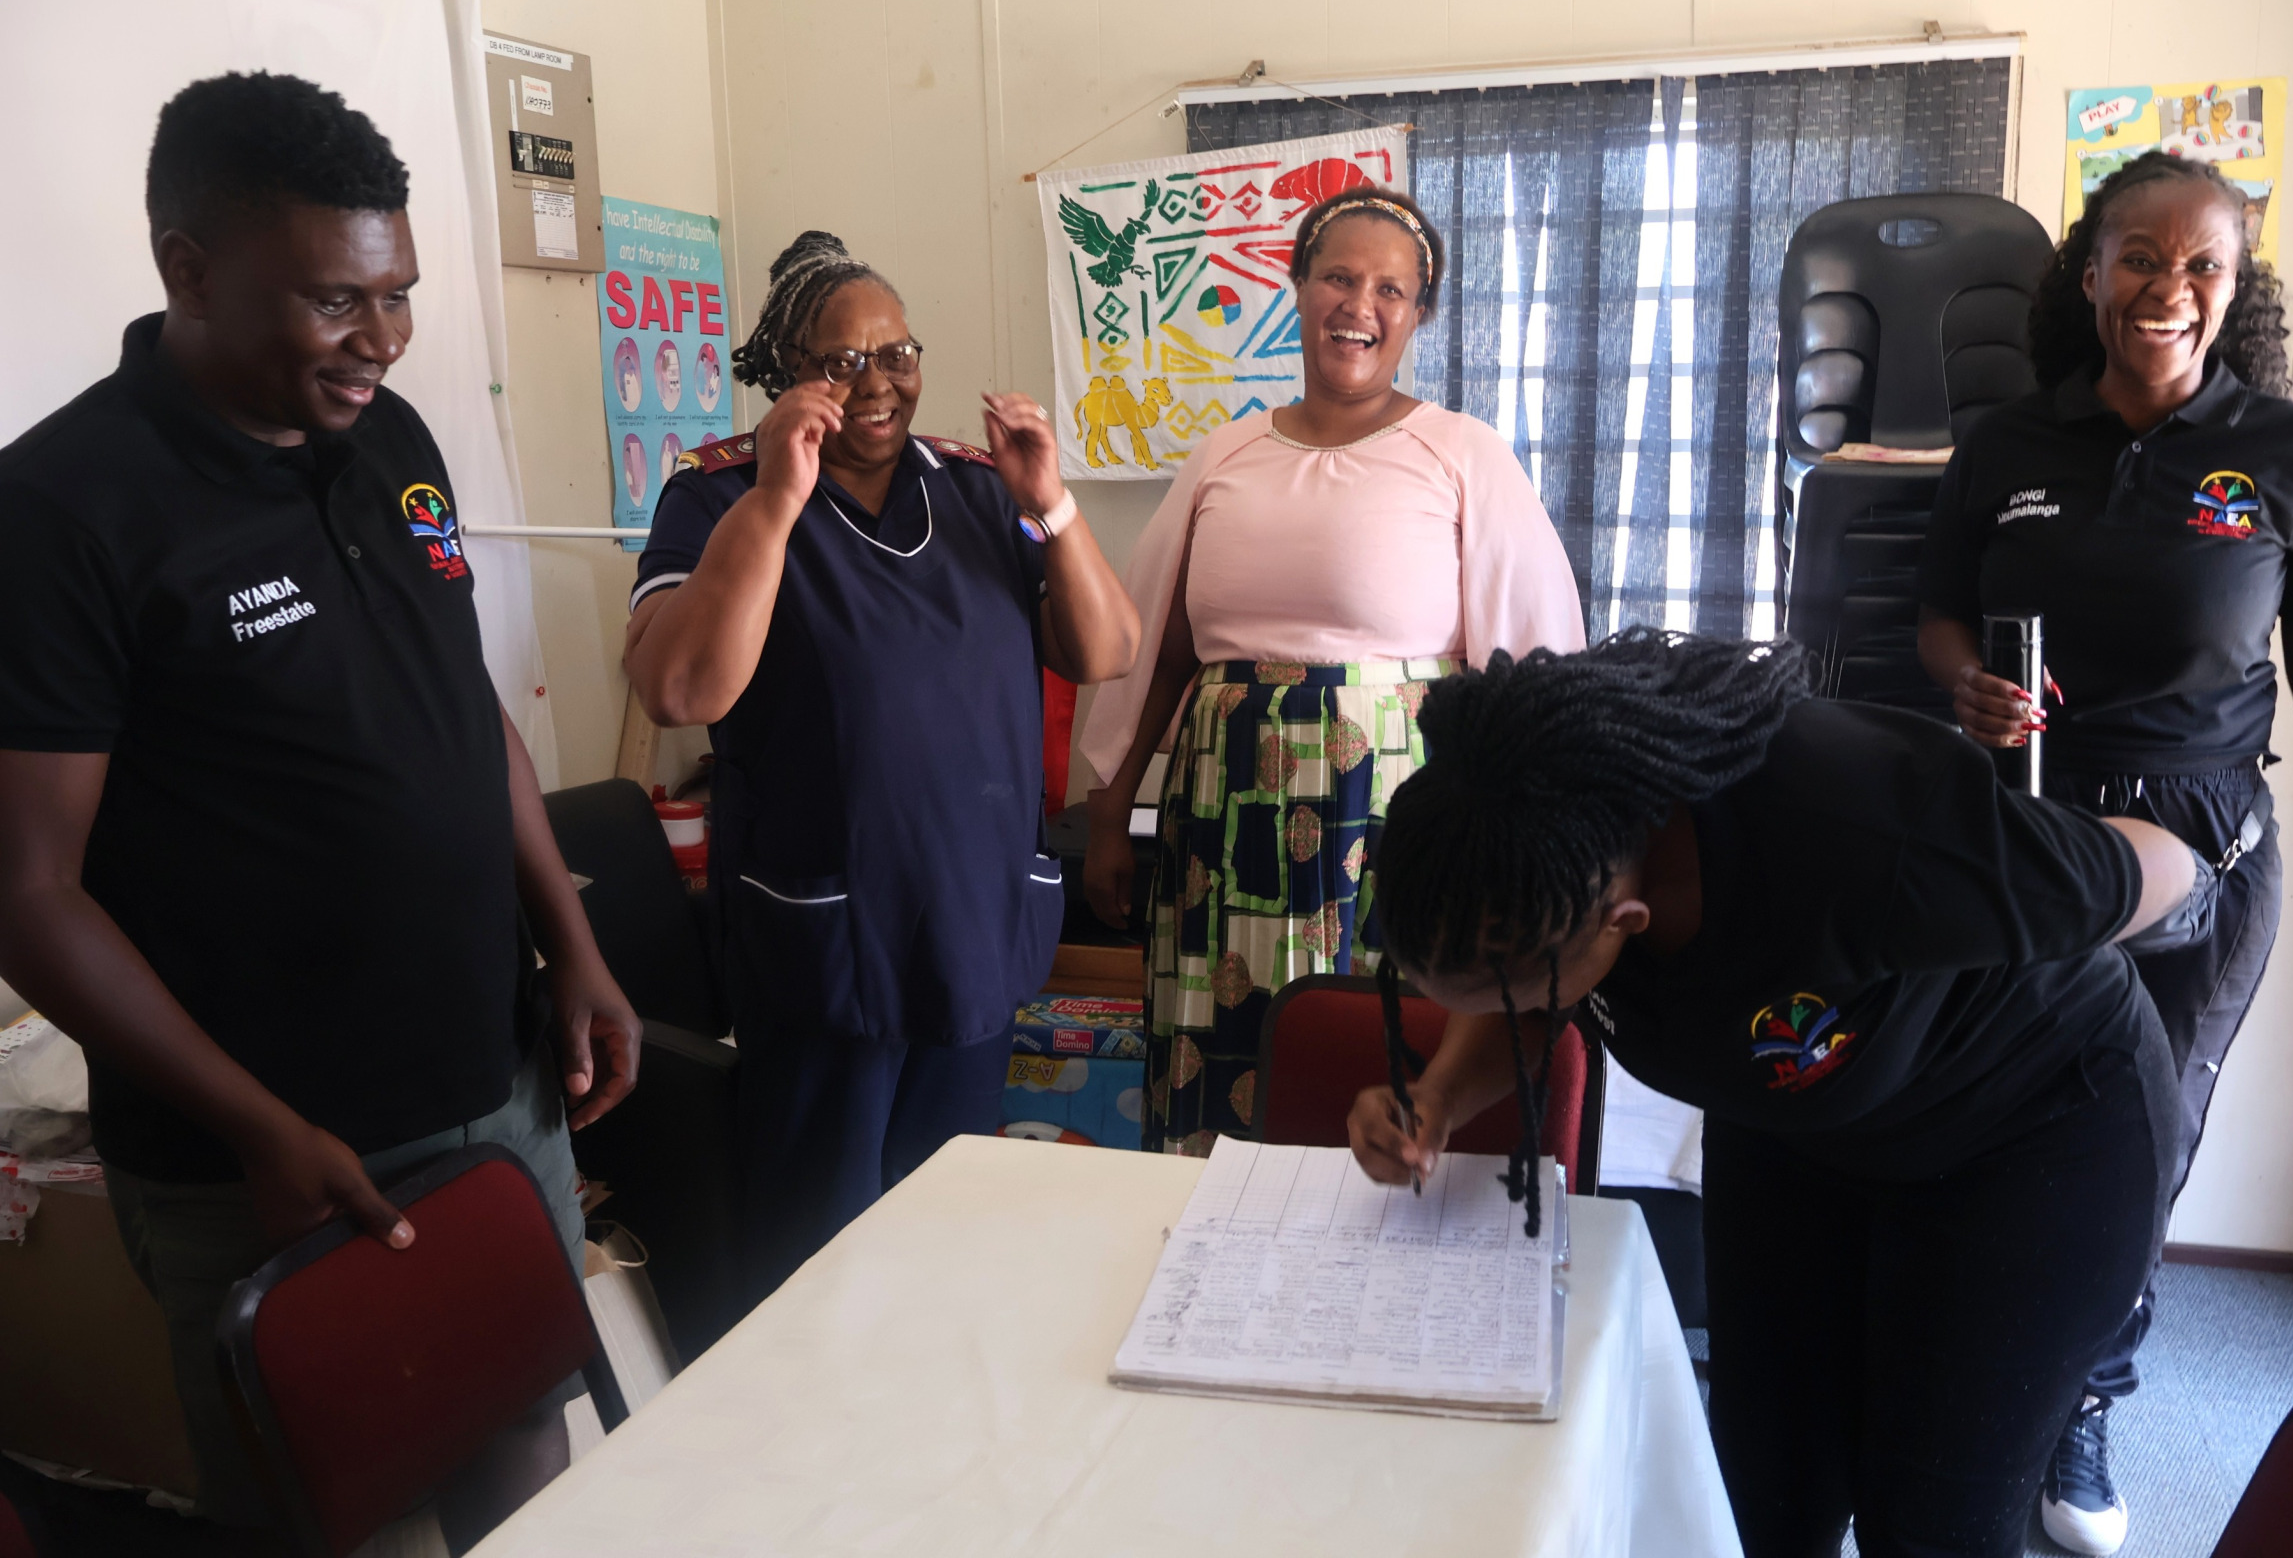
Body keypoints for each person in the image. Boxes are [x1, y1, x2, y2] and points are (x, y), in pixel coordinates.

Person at [0, 73, 640, 1550]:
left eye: (398, 294)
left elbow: (463, 712)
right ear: (188, 270)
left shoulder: (392, 436)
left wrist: (574, 945)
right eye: (335, 302)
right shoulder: (62, 512)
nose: (383, 339)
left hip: (492, 1084)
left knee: (522, 1438)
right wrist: (261, 1129)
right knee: (322, 1511)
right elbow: (29, 892)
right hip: (274, 1155)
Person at [1347, 632, 2201, 1558]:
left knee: (1929, 1522)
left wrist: (2031, 894)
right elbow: (1526, 998)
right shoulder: (1550, 852)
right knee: (1758, 1496)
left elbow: (2165, 867)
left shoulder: (1859, 825)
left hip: (2036, 1132)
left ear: (1624, 922)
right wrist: (1437, 1097)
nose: (1508, 1009)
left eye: (1518, 989)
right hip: (1799, 1131)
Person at [1915, 149, 2293, 1554]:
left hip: (2206, 848)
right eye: (2139, 256)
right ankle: (1981, 1363)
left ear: (2237, 287)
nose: (2167, 288)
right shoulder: (2008, 446)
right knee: (1995, 1117)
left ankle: (2085, 1394)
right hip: (2029, 830)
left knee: (2141, 1145)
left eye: (2202, 266)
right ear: (2090, 270)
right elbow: (1939, 616)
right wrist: (1963, 682)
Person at [623, 231, 1140, 1295]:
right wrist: (777, 500)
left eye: (896, 354)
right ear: (790, 372)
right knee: (819, 1260)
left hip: (971, 930)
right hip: (828, 942)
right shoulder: (717, 495)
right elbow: (678, 691)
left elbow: (1106, 650)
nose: (876, 382)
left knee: (946, 1241)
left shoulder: (977, 488)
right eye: (842, 360)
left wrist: (1051, 500)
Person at [1080, 185, 1584, 1156]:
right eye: (1339, 278)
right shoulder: (1225, 452)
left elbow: (1532, 664)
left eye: (1390, 289)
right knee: (1217, 1056)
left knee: (1365, 1045)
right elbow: (1161, 650)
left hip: (1393, 817)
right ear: (1299, 287)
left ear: (1419, 313)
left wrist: (1534, 842)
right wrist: (1109, 815)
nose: (1360, 305)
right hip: (1219, 813)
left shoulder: (1462, 453)